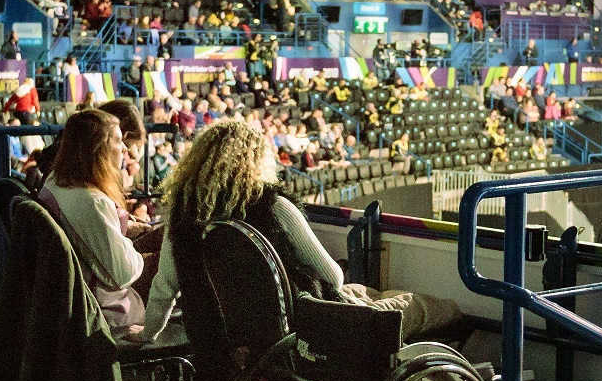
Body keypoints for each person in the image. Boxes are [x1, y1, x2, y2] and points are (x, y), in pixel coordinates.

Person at [142, 120, 462, 356]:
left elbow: (164, 287)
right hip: (306, 332)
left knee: (366, 291)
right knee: (423, 305)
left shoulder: (183, 217)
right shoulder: (273, 206)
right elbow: (333, 277)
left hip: (224, 344)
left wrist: (148, 334)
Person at [38, 108, 146, 335]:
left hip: (72, 294)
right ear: (98, 149)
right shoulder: (92, 202)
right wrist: (135, 250)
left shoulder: (55, 180)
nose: (125, 148)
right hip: (104, 310)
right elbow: (122, 274)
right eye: (117, 140)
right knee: (174, 252)